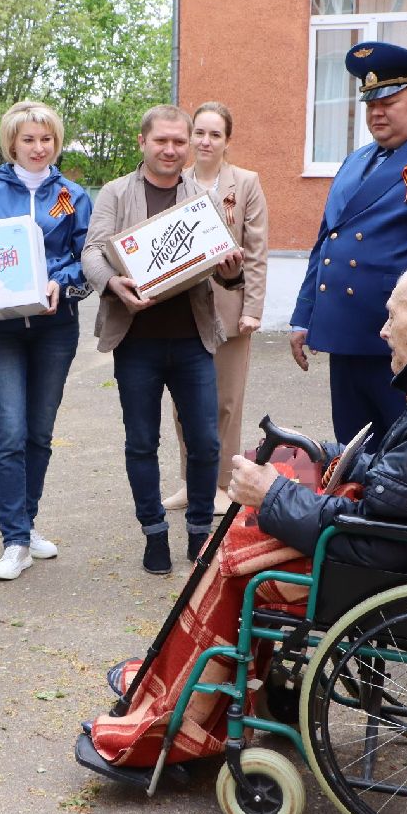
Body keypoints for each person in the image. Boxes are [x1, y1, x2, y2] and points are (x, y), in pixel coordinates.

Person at [87, 261, 407, 768]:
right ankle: (196, 681)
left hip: (392, 576)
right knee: (255, 519)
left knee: (231, 552)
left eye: (392, 316)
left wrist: (269, 495)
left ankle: (183, 712)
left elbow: (375, 534)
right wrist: (325, 452)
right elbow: (403, 481)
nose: (382, 331)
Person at [288, 42, 407, 444]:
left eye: (390, 100)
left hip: (406, 344)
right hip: (346, 337)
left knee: (403, 456)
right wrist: (304, 314)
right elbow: (327, 241)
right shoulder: (357, 160)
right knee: (352, 454)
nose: (377, 112)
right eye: (370, 103)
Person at [82, 104, 242, 577]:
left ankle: (198, 533)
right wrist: (113, 284)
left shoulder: (202, 198)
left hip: (192, 339)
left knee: (206, 443)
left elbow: (223, 264)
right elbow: (93, 250)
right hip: (137, 342)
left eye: (179, 141)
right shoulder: (114, 193)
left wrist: (231, 274)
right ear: (143, 143)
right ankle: (153, 532)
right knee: (141, 443)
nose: (171, 150)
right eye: (162, 141)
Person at [0, 101, 92, 581]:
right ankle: (13, 540)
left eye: (47, 138)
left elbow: (87, 259)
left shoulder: (72, 196)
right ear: (12, 143)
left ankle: (26, 524)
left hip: (55, 328)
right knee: (9, 429)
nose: (38, 147)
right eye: (29, 139)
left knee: (39, 432)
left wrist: (63, 281)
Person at [161, 101, 268, 516]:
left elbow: (256, 251)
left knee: (225, 402)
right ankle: (192, 482)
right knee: (184, 404)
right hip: (182, 311)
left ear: (227, 140)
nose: (205, 142)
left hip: (230, 309)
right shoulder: (175, 181)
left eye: (214, 134)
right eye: (199, 133)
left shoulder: (245, 183)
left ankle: (223, 483)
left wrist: (252, 307)